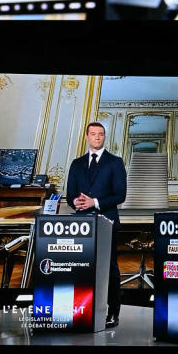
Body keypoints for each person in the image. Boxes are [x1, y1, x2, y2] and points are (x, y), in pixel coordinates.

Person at [66, 122, 127, 328]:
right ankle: (82, 308)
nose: (97, 137)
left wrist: (95, 202)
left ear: (104, 137)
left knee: (110, 269)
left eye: (101, 134)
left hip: (107, 222)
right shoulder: (76, 163)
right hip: (81, 224)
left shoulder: (115, 162)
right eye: (93, 134)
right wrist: (76, 202)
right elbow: (70, 195)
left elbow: (121, 195)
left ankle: (113, 313)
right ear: (87, 137)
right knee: (81, 268)